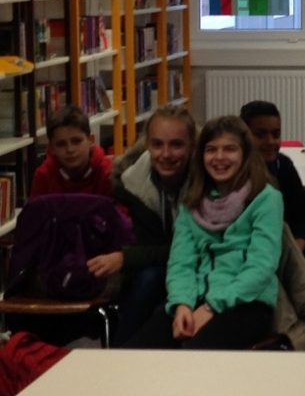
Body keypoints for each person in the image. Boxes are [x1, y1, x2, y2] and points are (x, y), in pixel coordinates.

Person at [125, 115, 284, 349]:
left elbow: (261, 267)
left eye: (229, 149)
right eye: (211, 150)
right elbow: (181, 263)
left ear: (245, 154)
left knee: (196, 356)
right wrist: (181, 304)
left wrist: (211, 307)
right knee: (137, 353)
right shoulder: (192, 202)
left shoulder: (266, 198)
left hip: (246, 302)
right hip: (196, 299)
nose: (219, 157)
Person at [86, 105, 197, 347]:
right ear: (147, 145)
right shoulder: (133, 184)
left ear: (192, 146)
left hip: (200, 269)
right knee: (149, 282)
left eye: (176, 145)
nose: (165, 154)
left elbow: (192, 249)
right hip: (153, 271)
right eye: (157, 144)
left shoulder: (206, 182)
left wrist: (124, 258)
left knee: (159, 304)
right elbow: (151, 246)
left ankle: (120, 357)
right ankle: (122, 357)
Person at [240, 100, 305, 275]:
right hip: (251, 247)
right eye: (260, 135)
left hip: (286, 241)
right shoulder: (235, 173)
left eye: (276, 134)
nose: (270, 141)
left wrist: (296, 249)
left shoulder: (282, 165)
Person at [29, 104, 113, 199]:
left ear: (91, 141)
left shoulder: (108, 174)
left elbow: (119, 208)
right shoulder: (43, 176)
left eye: (76, 141)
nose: (70, 150)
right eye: (61, 144)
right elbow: (35, 208)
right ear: (51, 148)